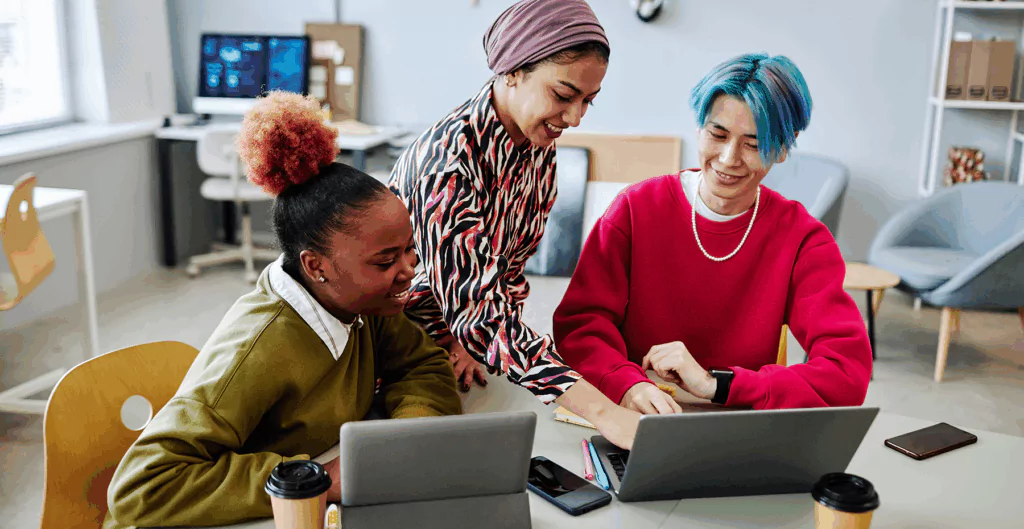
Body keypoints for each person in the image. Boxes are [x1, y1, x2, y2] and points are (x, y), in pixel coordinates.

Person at [104, 92, 462, 529]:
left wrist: (401, 439)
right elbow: (141, 489)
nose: (409, 271)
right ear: (316, 266)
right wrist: (322, 480)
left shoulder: (364, 304)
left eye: (410, 250)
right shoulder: (258, 349)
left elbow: (422, 365)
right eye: (386, 261)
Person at [553, 53, 872, 415]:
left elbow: (847, 373)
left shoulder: (802, 240)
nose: (728, 158)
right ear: (699, 129)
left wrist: (716, 384)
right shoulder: (635, 209)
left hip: (732, 424)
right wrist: (626, 384)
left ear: (784, 147)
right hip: (633, 414)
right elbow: (579, 328)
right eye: (717, 135)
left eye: (753, 144)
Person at [389, 0, 641, 449]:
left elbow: (507, 270)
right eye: (563, 96)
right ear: (511, 71)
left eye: (588, 101)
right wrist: (604, 412)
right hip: (393, 348)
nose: (575, 117)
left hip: (459, 343)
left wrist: (467, 342)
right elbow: (480, 312)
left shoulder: (536, 146)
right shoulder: (445, 166)